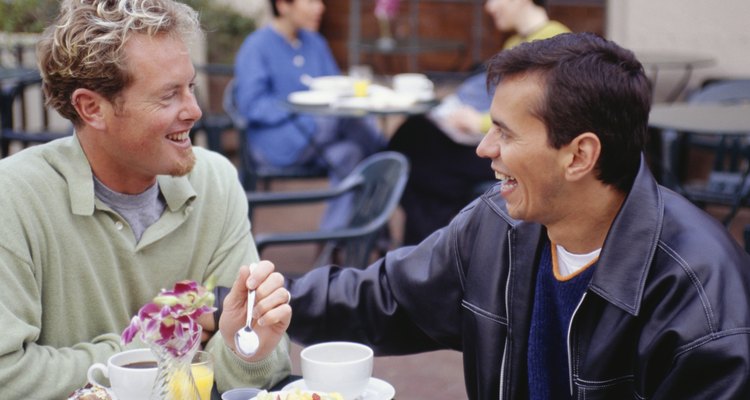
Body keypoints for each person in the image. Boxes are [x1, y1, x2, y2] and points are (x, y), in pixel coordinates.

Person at [271, 33, 750, 398]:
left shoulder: (700, 297)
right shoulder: (499, 225)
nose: (485, 148)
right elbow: (383, 298)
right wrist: (253, 305)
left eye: (505, 132)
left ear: (580, 155)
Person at [0, 1, 292, 398]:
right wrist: (156, 344)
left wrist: (251, 350)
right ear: (91, 108)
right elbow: (9, 377)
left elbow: (247, 365)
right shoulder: (13, 198)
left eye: (190, 87)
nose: (194, 110)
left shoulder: (214, 181)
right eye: (169, 95)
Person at [388, 0, 569, 244]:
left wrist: (478, 122)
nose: (489, 7)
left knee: (413, 160)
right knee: (411, 136)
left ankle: (429, 248)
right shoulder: (515, 42)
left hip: (512, 150)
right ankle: (430, 249)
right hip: (495, 139)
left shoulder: (556, 42)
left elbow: (544, 112)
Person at [234, 0, 386, 230]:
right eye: (311, 1)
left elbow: (335, 89)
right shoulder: (256, 46)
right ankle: (392, 160)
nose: (320, 8)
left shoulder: (316, 43)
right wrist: (296, 106)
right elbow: (251, 105)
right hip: (276, 142)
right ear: (283, 5)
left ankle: (332, 243)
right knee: (356, 124)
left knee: (350, 155)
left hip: (321, 140)